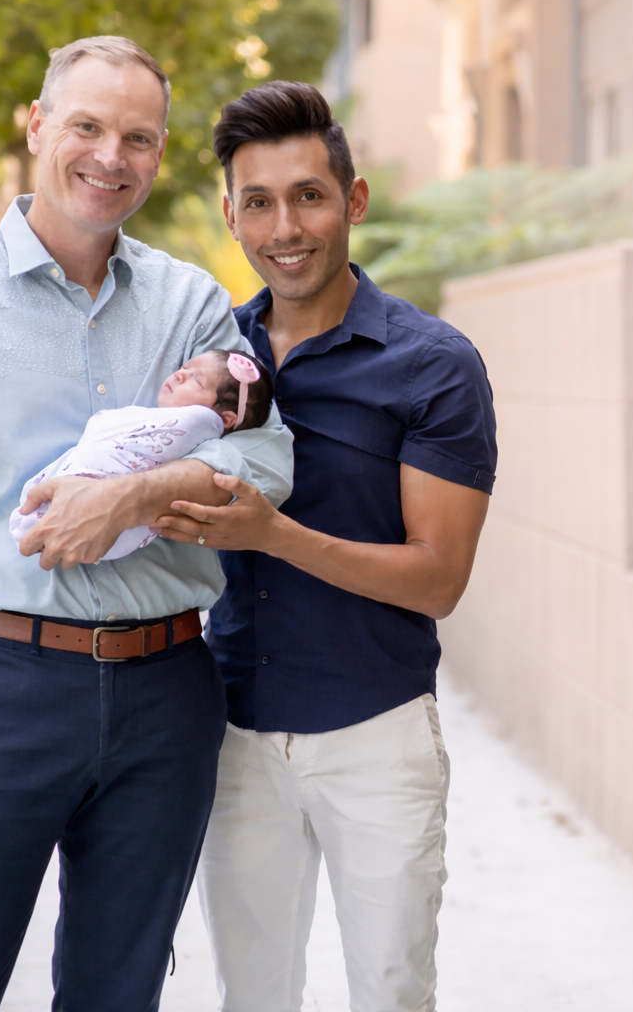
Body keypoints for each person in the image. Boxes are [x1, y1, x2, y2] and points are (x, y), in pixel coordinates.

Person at [0, 37, 294, 1011]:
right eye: (87, 126)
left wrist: (132, 496)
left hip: (169, 695)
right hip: (1, 693)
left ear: (160, 150)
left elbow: (266, 459)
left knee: (118, 991)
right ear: (38, 126)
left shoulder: (189, 302)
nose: (111, 155)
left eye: (138, 136)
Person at [153, 81, 497, 1011]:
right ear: (230, 215)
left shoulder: (432, 365)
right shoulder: (211, 354)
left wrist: (273, 534)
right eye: (257, 202)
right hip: (233, 734)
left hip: (375, 734)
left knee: (390, 990)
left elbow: (438, 579)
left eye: (307, 194)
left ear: (352, 201)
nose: (284, 226)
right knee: (252, 996)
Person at [9, 350, 275, 560]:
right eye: (185, 368)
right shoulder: (159, 420)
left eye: (197, 379)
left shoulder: (200, 423)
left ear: (224, 418)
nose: (180, 375)